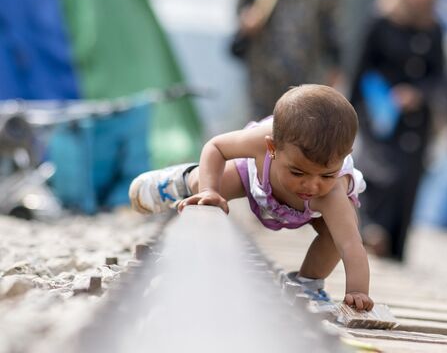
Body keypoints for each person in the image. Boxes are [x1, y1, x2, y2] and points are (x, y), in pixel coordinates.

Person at [129, 84, 373, 311]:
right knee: (212, 183)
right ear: (272, 148)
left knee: (336, 233)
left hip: (311, 211)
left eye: (327, 175)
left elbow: (351, 245)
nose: (312, 184)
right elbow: (216, 147)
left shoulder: (331, 194)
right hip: (256, 177)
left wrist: (358, 291)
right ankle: (181, 180)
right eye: (298, 172)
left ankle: (308, 284)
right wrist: (208, 190)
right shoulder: (260, 142)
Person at [350, 0, 447, 261]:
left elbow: (441, 78)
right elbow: (360, 70)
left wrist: (418, 94)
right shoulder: (380, 22)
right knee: (378, 174)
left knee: (407, 182)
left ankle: (393, 249)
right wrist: (349, 115)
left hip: (415, 122)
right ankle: (369, 232)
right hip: (378, 114)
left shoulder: (435, 29)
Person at [235, 0, 343, 119]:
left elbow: (330, 26)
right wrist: (248, 18)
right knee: (260, 125)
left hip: (304, 73)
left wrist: (335, 64)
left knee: (300, 123)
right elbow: (243, 5)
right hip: (263, 73)